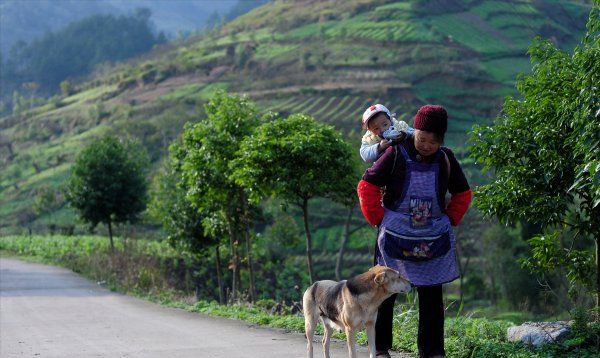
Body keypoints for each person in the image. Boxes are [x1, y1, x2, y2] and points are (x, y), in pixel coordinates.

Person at [356, 105, 472, 358]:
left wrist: (450, 218)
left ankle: (432, 352)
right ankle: (380, 349)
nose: (426, 145)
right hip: (395, 238)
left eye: (433, 141)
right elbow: (367, 186)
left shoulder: (445, 158)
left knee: (431, 296)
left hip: (430, 238)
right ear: (413, 131)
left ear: (441, 140)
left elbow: (463, 193)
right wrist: (378, 218)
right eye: (421, 138)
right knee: (384, 292)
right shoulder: (395, 152)